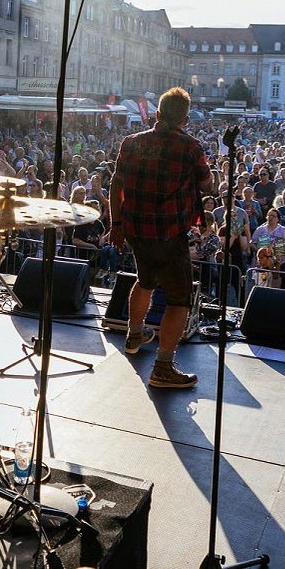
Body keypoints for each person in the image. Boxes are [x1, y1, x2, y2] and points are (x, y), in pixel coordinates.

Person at [109, 87, 215, 390]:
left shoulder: (131, 142)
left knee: (145, 280)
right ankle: (164, 367)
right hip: (170, 233)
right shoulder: (191, 148)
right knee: (180, 298)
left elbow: (117, 186)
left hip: (135, 229)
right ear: (185, 118)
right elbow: (207, 186)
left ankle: (134, 334)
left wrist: (116, 224)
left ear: (157, 114)